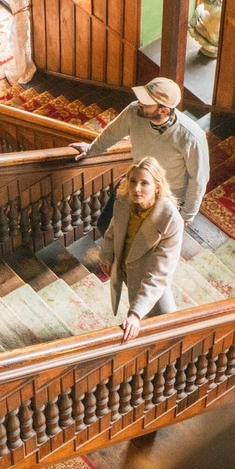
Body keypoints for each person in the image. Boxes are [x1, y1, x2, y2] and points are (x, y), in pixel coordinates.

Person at [70, 77, 209, 225]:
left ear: (164, 110)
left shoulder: (192, 137)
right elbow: (112, 133)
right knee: (105, 225)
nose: (139, 103)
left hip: (166, 197)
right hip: (135, 183)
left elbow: (198, 179)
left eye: (146, 102)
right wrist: (92, 149)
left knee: (145, 242)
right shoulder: (133, 111)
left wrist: (186, 215)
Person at [100, 157, 183, 343]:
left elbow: (160, 274)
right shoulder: (124, 201)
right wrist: (107, 256)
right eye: (133, 181)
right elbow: (113, 230)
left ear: (157, 187)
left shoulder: (171, 220)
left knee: (168, 328)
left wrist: (135, 314)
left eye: (144, 183)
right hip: (125, 268)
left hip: (148, 277)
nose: (136, 189)